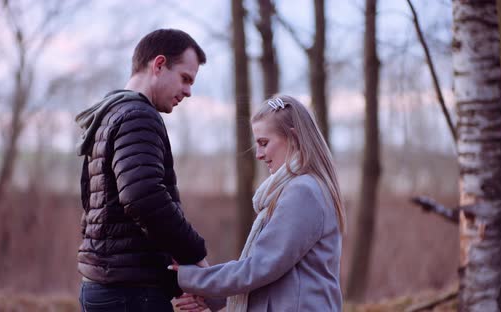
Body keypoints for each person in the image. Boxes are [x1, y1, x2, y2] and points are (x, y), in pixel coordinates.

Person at [170, 95, 346, 312]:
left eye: (264, 143)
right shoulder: (295, 189)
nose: (259, 154)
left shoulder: (303, 191)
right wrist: (211, 297)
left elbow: (261, 267)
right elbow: (277, 278)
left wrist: (192, 278)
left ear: (294, 137)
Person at [74, 28, 209, 312]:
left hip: (103, 288)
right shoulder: (138, 116)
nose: (188, 92)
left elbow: (99, 208)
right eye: (185, 79)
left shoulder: (109, 114)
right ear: (158, 64)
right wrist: (196, 255)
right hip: (130, 295)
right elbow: (144, 198)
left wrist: (179, 280)